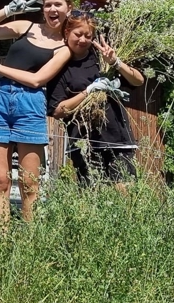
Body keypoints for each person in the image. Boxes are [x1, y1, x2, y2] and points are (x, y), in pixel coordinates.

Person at [0, 0, 73, 222]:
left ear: (69, 8)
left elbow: (37, 80)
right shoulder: (26, 26)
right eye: (48, 5)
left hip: (30, 102)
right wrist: (7, 10)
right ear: (43, 8)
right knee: (0, 180)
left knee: (29, 183)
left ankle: (28, 243)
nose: (52, 9)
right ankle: (1, 242)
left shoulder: (64, 48)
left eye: (58, 4)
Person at [48, 13, 144, 185]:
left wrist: (116, 62)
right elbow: (57, 110)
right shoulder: (60, 66)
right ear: (67, 32)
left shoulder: (101, 58)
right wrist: (88, 92)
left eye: (88, 36)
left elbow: (138, 80)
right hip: (84, 142)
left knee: (124, 194)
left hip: (117, 138)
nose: (83, 40)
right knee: (92, 198)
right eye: (78, 34)